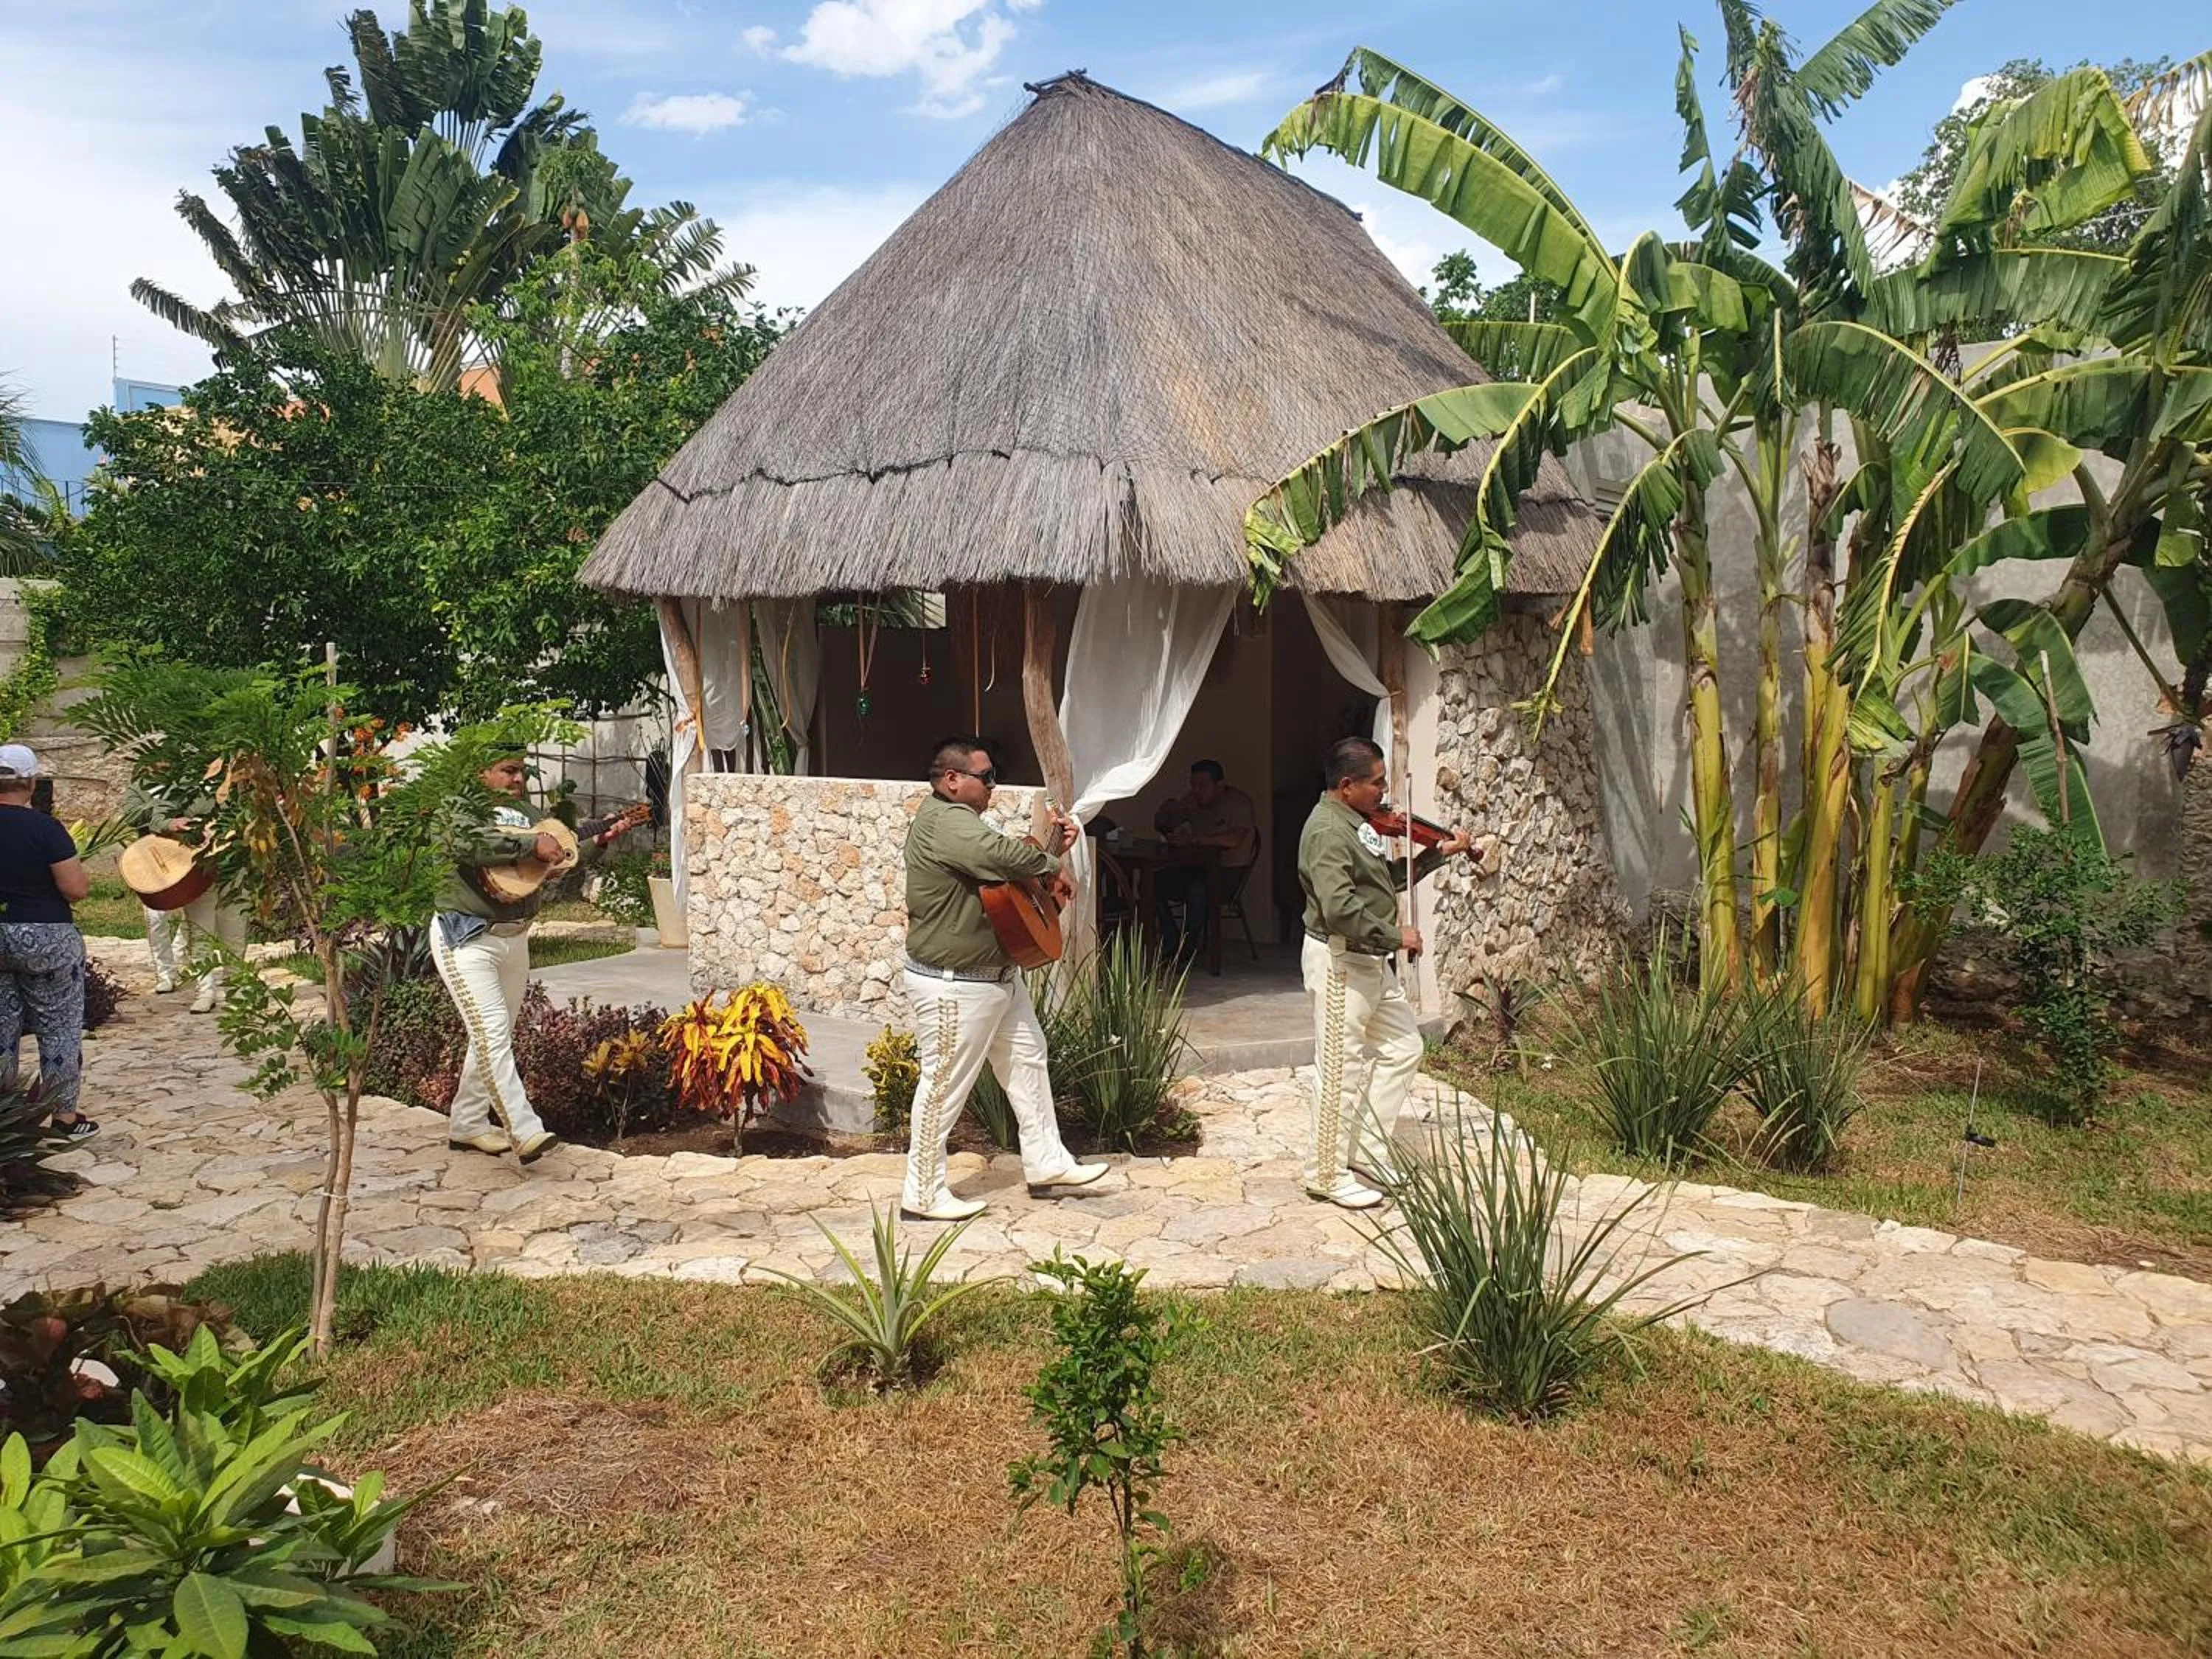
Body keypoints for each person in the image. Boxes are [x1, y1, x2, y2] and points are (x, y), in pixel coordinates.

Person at [900, 736, 1107, 1220]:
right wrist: (1054, 861)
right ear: (952, 780)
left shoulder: (966, 824)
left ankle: (1047, 1162)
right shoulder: (945, 822)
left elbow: (1005, 882)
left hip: (994, 977)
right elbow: (1003, 856)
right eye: (986, 776)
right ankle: (922, 1193)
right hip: (955, 984)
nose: (994, 784)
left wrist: (1050, 860)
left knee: (1028, 1060)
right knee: (944, 1086)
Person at [1295, 737, 1469, 1209]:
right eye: (1378, 782)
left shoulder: (1356, 824)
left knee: (1403, 1048)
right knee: (1340, 1068)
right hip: (1341, 960)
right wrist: (1397, 936)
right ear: (1347, 785)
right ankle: (1326, 1174)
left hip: (1367, 958)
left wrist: (1438, 854)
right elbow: (1339, 909)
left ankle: (1366, 1149)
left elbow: (1382, 880)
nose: (1385, 791)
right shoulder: (1329, 833)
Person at [431, 752, 627, 1163]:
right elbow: (468, 844)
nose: (519, 778)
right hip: (466, 937)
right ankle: (525, 1130)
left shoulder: (528, 812)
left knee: (491, 1035)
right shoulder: (457, 807)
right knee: (492, 1033)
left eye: (522, 771)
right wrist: (530, 843)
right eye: (508, 770)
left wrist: (595, 845)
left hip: (515, 937)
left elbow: (545, 868)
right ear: (479, 769)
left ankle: (467, 1125)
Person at [0, 745, 96, 1140]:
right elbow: (75, 888)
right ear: (32, 783)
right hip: (46, 937)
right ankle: (64, 1118)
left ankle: (6, 1118)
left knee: (1, 1027)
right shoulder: (45, 828)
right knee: (58, 1027)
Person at [123, 778, 248, 1009]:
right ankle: (205, 991)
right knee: (200, 931)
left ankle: (237, 989)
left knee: (234, 930)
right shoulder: (182, 785)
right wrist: (173, 824)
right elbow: (159, 819)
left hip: (233, 868)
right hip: (196, 870)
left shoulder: (239, 784)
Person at [1151, 759, 1258, 963]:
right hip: (1194, 868)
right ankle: (1172, 939)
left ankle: (1191, 945)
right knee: (1152, 883)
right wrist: (1167, 813)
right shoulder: (1193, 801)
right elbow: (1165, 824)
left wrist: (1196, 839)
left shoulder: (1238, 803)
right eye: (1193, 785)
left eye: (1203, 786)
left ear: (1220, 786)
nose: (1196, 790)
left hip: (1228, 873)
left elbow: (1235, 839)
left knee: (1197, 888)